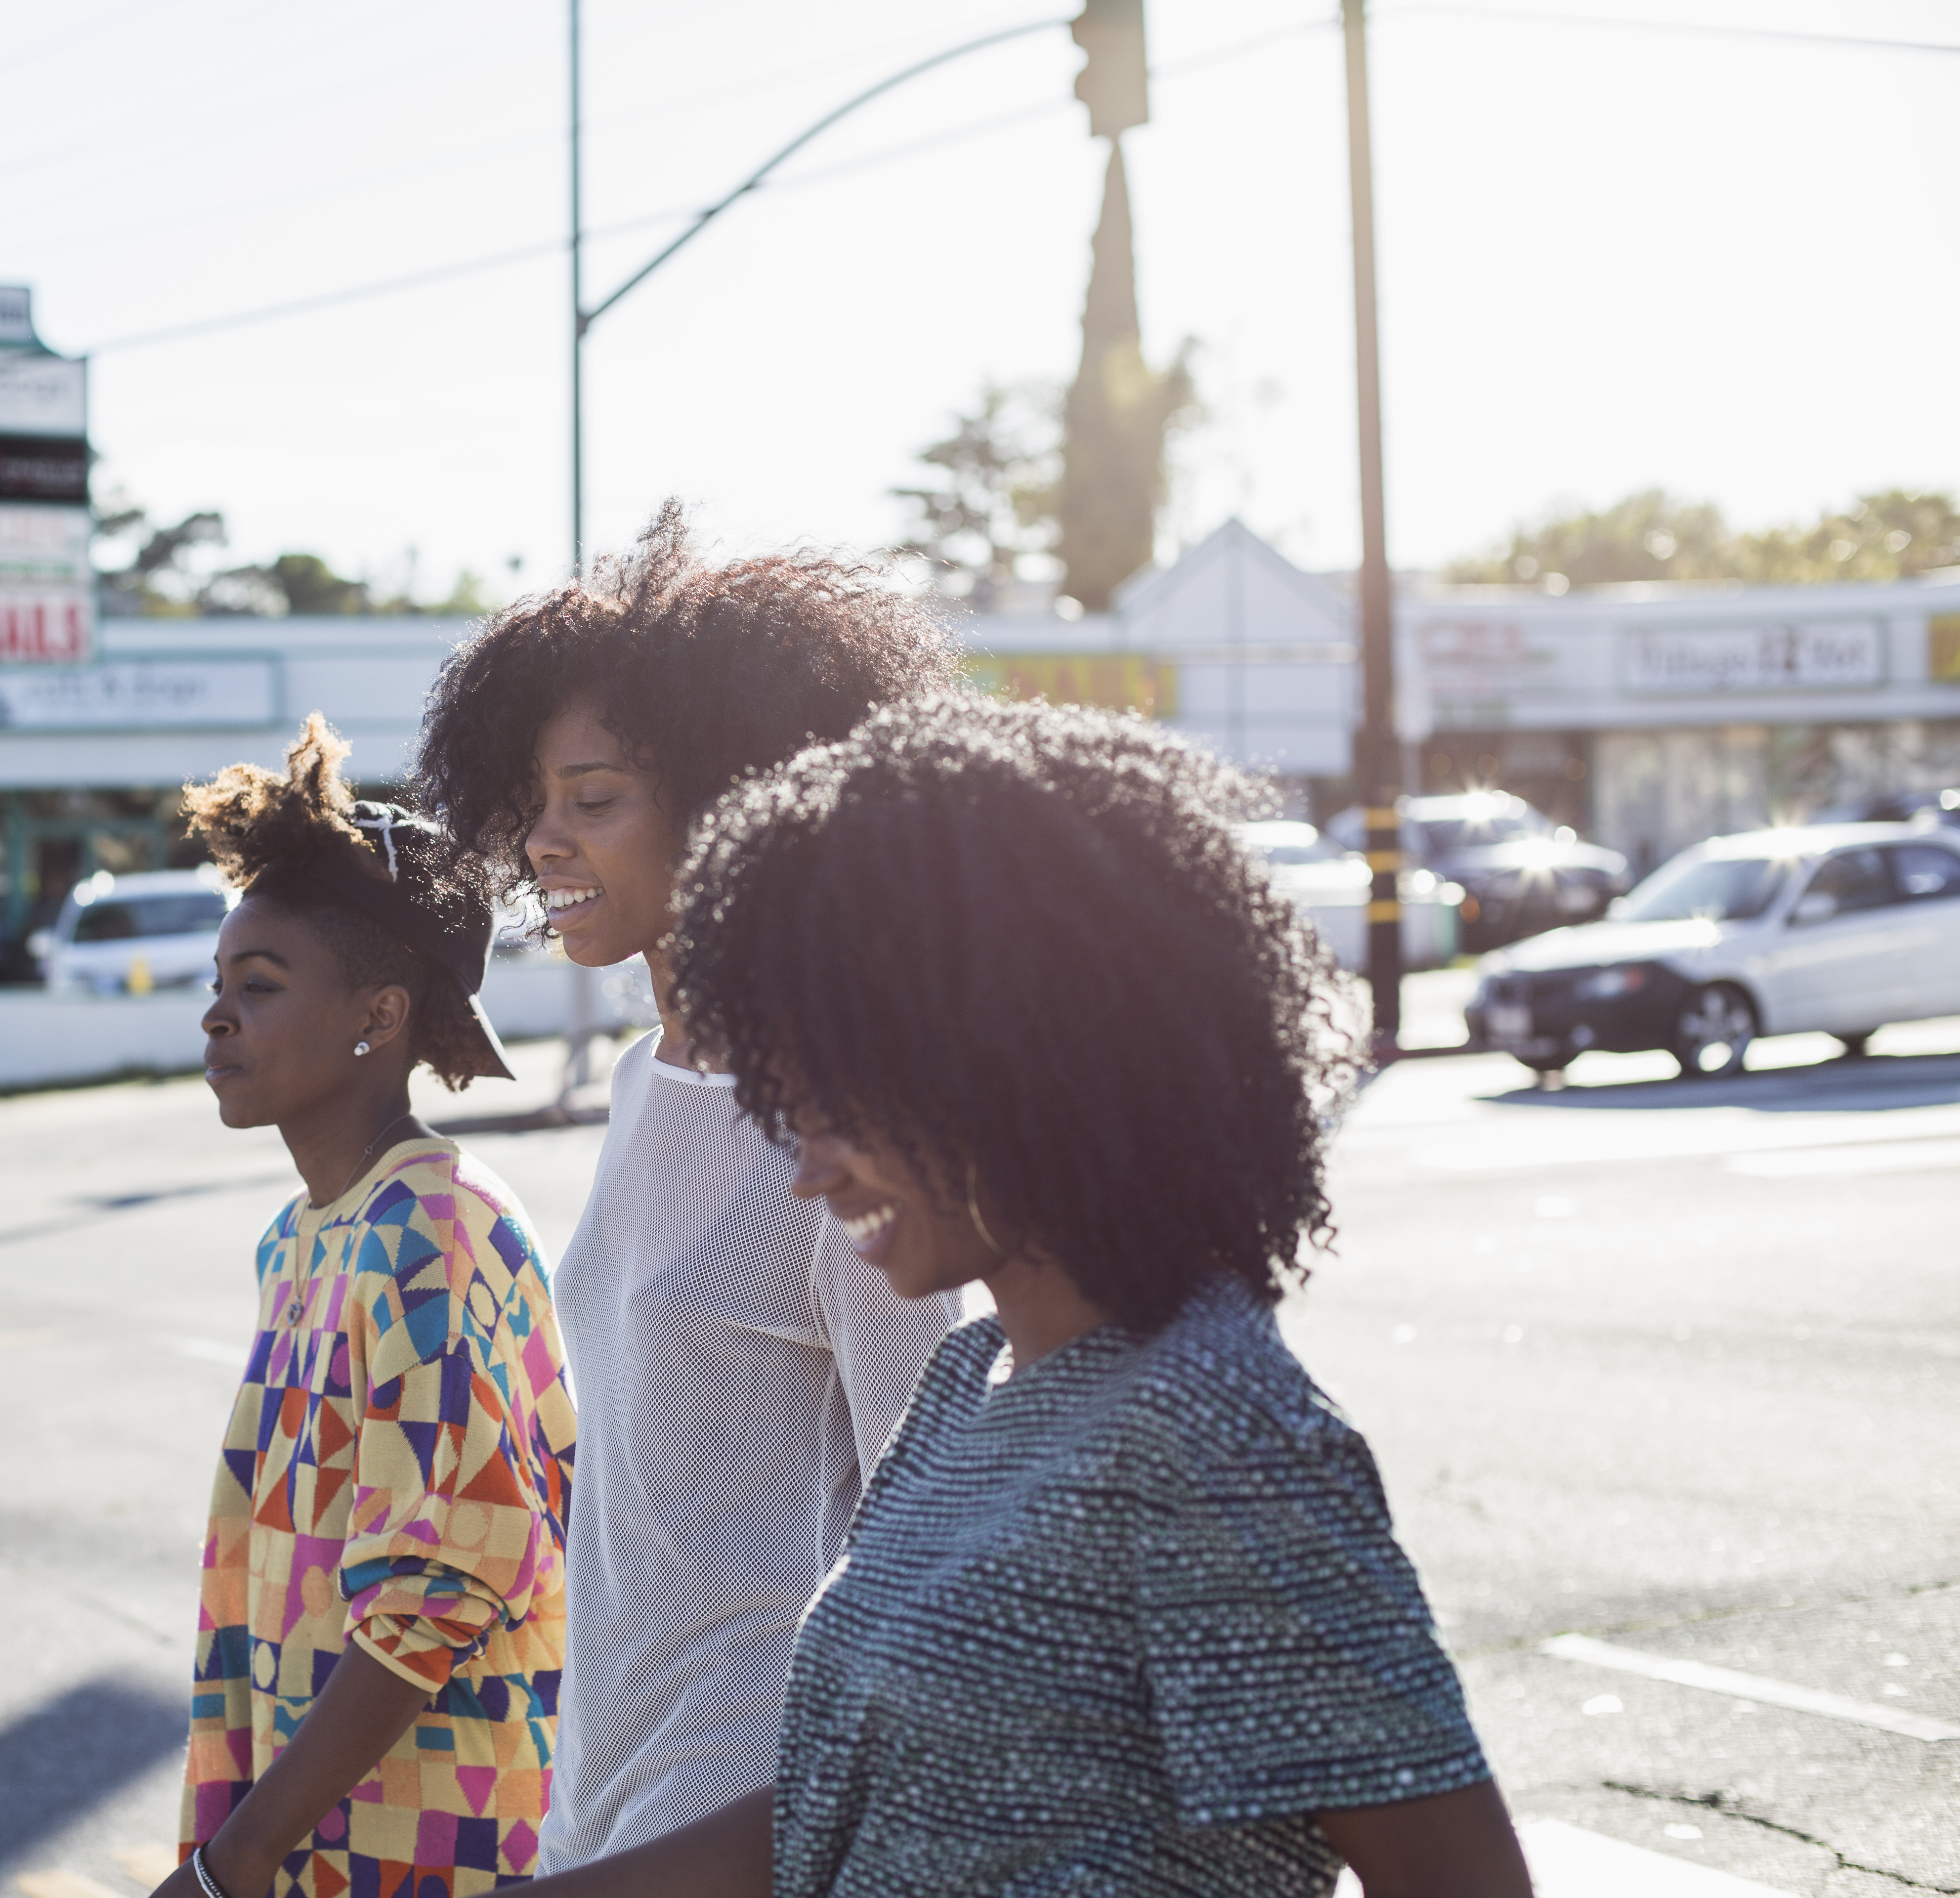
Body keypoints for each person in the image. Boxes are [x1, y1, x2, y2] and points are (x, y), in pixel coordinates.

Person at [512, 693, 1529, 1897]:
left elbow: (1459, 1876)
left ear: (1007, 1064)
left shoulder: (1207, 1430)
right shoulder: (964, 1380)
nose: (806, 1161)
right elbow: (843, 1796)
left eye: (839, 1099)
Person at [412, 505, 966, 1873]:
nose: (544, 843)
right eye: (531, 806)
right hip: (598, 1778)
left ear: (739, 809)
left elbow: (941, 1527)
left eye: (593, 801)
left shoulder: (847, 1130)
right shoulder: (655, 1078)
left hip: (751, 1800)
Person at [162, 715, 580, 1898]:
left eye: (258, 983)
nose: (216, 1016)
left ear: (378, 1015)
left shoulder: (429, 1233)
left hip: (413, 1846)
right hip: (303, 1833)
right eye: (217, 983)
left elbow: (435, 1587)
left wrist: (226, 1864)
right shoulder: (300, 1238)